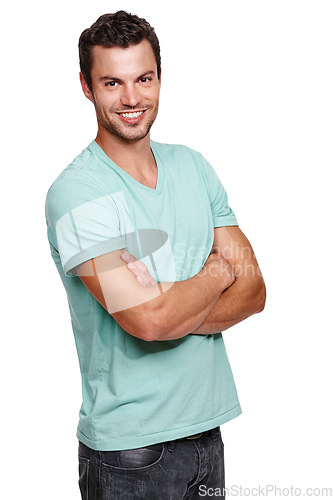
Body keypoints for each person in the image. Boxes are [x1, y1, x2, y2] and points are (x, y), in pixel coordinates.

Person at [45, 10, 266, 500]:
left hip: (208, 436)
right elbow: (148, 322)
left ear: (160, 78)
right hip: (131, 455)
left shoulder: (193, 166)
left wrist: (171, 303)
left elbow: (254, 292)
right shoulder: (79, 193)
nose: (131, 99)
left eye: (143, 79)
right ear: (86, 86)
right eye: (112, 82)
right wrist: (215, 271)